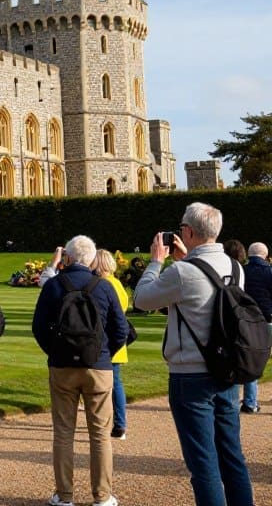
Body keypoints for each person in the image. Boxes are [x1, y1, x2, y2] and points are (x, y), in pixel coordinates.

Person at [134, 202, 255, 506]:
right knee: (231, 456)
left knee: (203, 463)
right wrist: (184, 261)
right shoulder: (236, 267)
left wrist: (155, 262)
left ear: (187, 231)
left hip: (191, 374)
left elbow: (142, 299)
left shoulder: (183, 272)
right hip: (226, 370)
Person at [32, 235, 127, 506]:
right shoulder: (104, 286)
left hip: (62, 366)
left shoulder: (53, 285)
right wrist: (103, 352)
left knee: (63, 432)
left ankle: (64, 496)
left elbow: (38, 328)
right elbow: (120, 329)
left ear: (69, 258)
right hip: (98, 366)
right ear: (93, 259)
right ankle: (102, 496)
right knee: (100, 434)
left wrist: (55, 352)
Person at [92, 249, 130, 439]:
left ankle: (119, 424)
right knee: (114, 383)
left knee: (112, 384)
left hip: (108, 340)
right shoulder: (117, 283)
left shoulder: (105, 284)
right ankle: (118, 422)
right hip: (117, 340)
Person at [240, 242, 272, 413]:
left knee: (251, 360)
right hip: (268, 318)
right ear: (265, 255)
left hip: (247, 321)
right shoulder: (269, 271)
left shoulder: (241, 270)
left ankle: (250, 402)